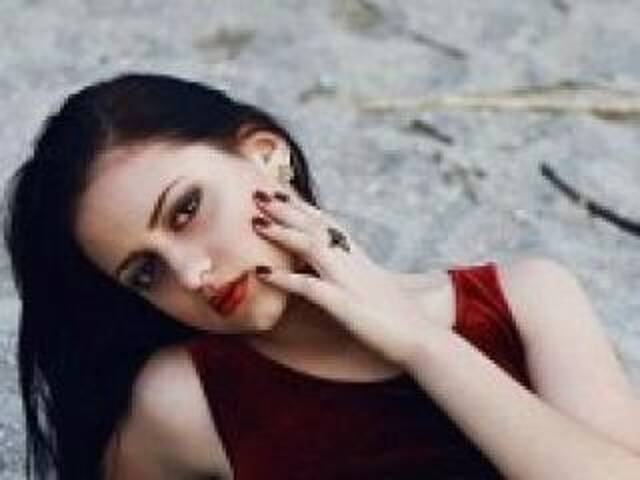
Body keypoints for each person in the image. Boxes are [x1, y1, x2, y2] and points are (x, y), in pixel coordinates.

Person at [2, 72, 639, 480]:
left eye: (186, 210)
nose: (190, 274)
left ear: (266, 156)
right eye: (146, 272)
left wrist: (422, 345)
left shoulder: (524, 298)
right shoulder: (186, 402)